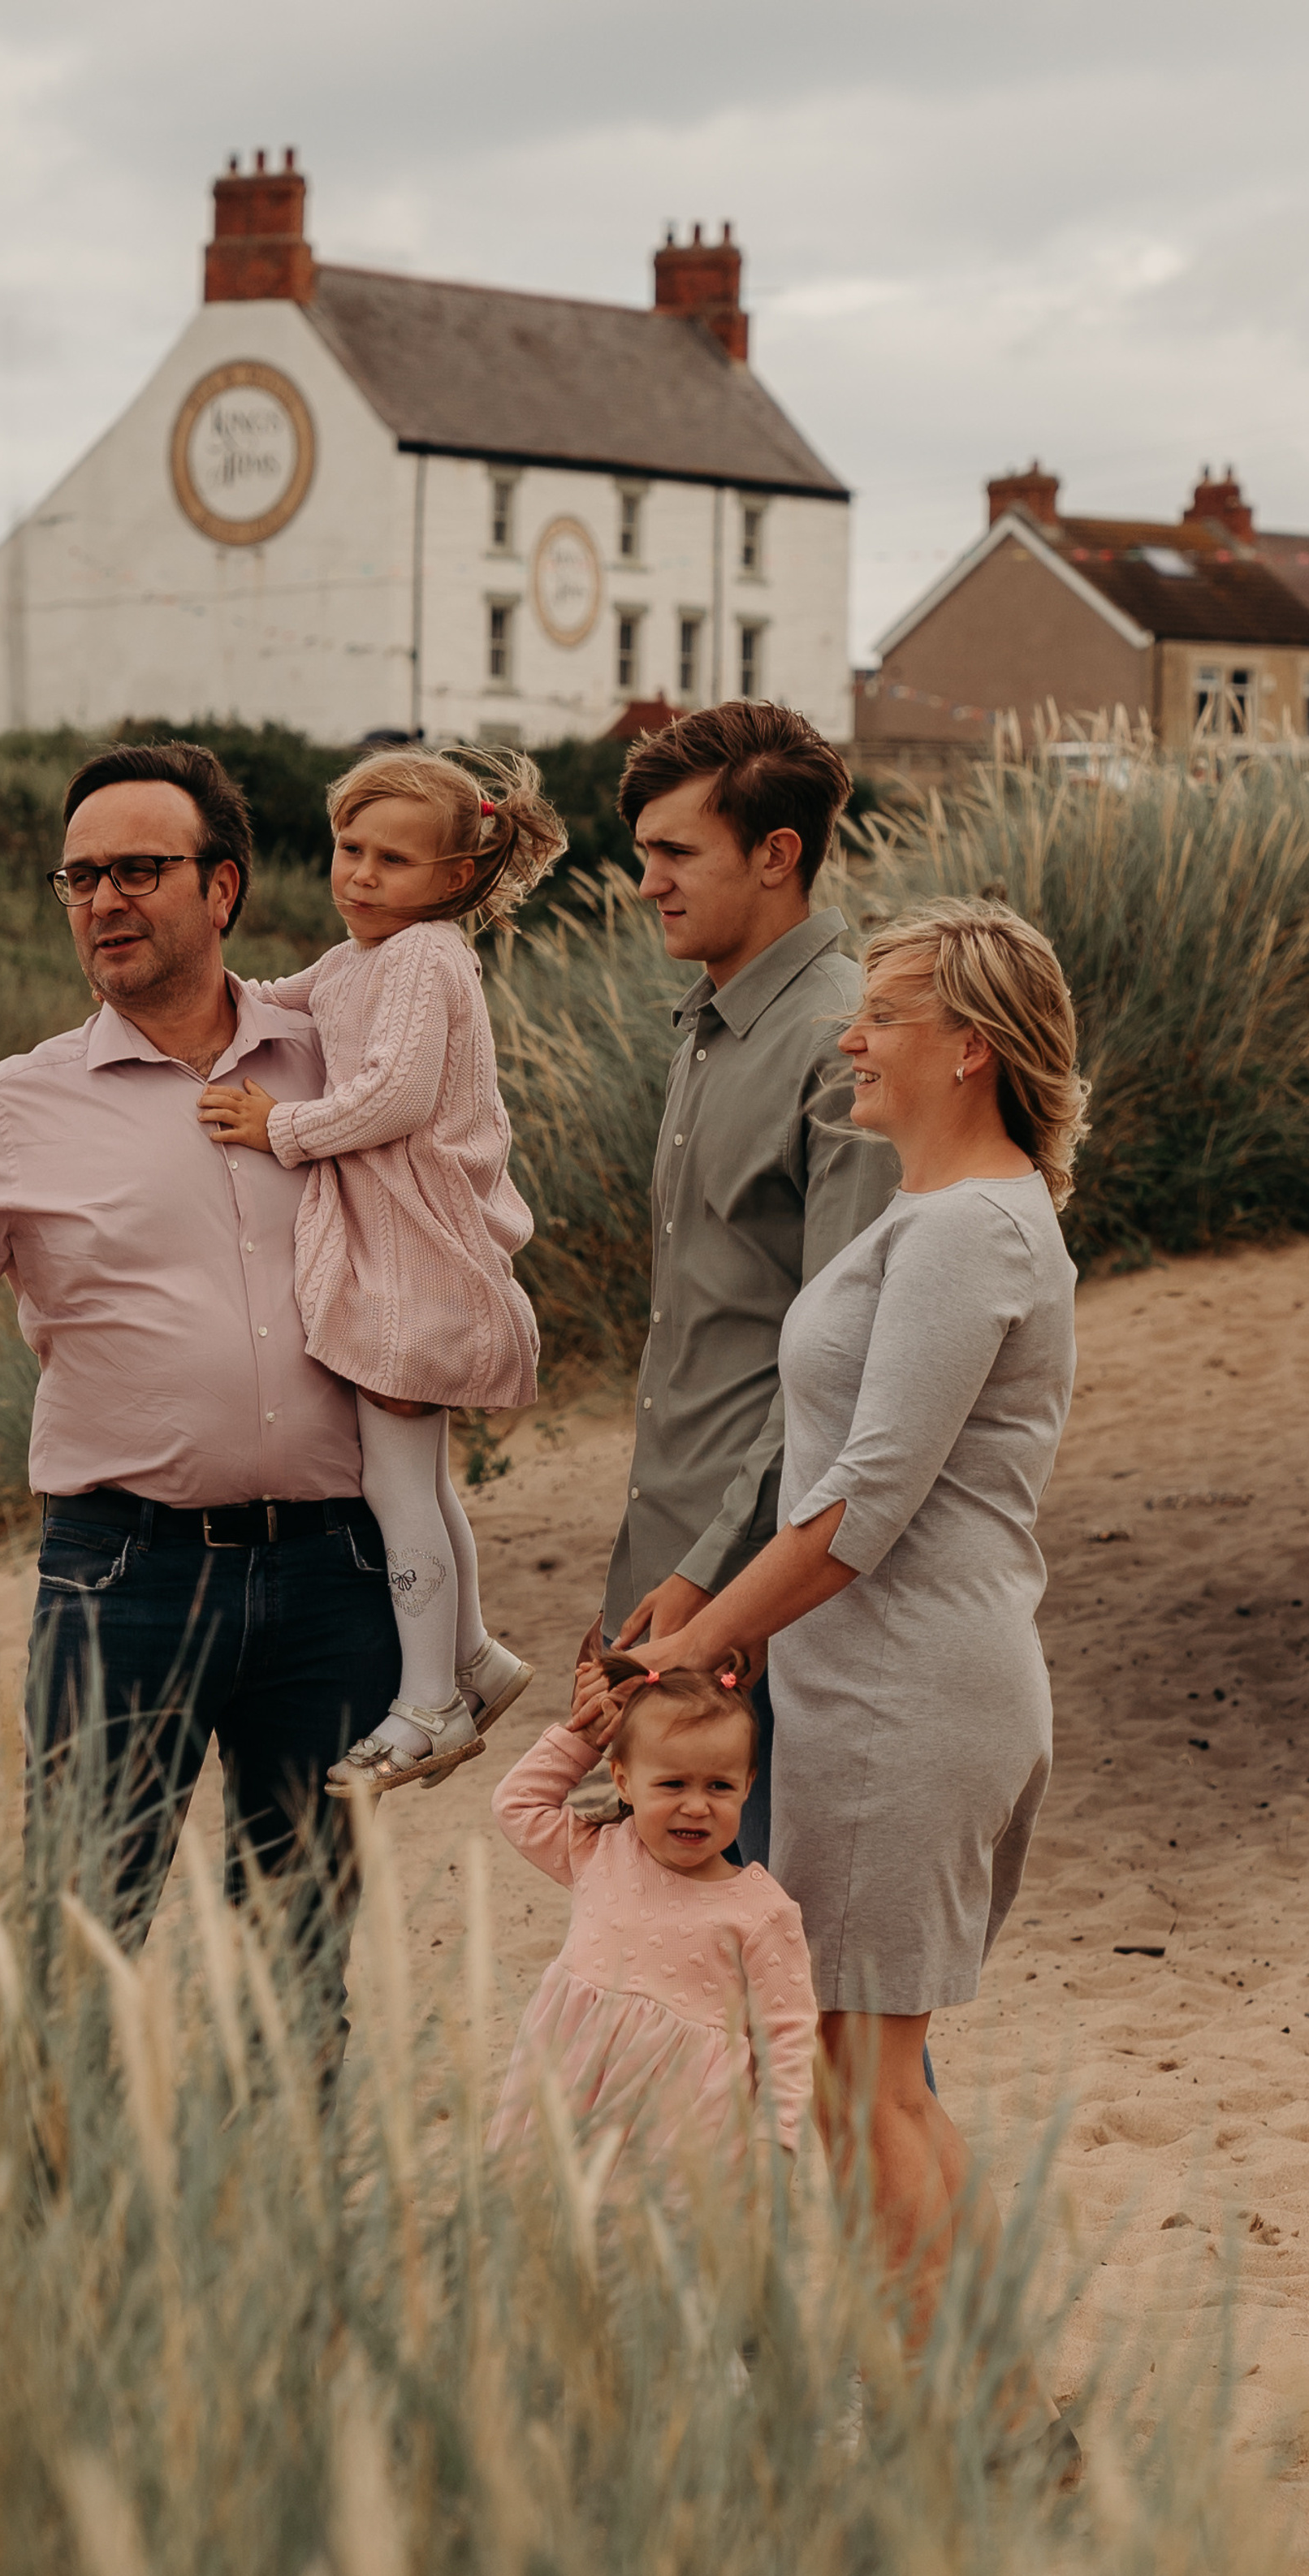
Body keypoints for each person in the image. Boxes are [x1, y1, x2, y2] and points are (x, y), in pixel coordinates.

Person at [0, 740, 400, 1960]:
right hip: (124, 1580)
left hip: (335, 1574)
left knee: (304, 1962)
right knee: (75, 1951)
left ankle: (282, 2162)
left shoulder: (337, 1059)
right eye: (78, 877)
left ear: (223, 889)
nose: (101, 900)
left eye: (138, 869)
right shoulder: (16, 1106)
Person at [631, 896, 1087, 2472]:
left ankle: (974, 2424)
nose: (847, 1035)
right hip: (869, 1692)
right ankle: (987, 2406)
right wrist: (706, 1616)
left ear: (964, 1044)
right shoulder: (949, 1215)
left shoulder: (971, 1229)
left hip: (906, 1695)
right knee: (868, 2073)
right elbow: (831, 1490)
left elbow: (857, 1507)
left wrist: (694, 1649)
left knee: (859, 2084)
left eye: (880, 1013)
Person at [197, 746, 564, 1794]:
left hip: (419, 1264)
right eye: (348, 849)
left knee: (394, 1491)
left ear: (453, 877)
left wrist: (280, 1128)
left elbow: (394, 1097)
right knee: (417, 1479)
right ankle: (473, 1659)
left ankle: (431, 1708)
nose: (360, 875)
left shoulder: (425, 958)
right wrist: (194, 993)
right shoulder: (362, 956)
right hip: (393, 1256)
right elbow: (276, 999)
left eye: (392, 861)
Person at [594, 700, 900, 1868]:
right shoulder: (711, 1026)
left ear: (779, 855)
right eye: (643, 856)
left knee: (783, 1974)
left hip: (763, 1592)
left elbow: (837, 1364)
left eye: (675, 854)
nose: (647, 884)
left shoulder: (845, 1044)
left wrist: (708, 1583)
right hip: (673, 1571)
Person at [487, 1647, 816, 2175]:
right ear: (623, 1781)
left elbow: (787, 2034)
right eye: (671, 1784)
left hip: (684, 2135)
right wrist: (586, 1733)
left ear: (748, 1786)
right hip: (570, 2096)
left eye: (720, 1786)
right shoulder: (600, 1853)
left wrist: (775, 2141)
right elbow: (517, 1803)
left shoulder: (763, 1910)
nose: (695, 1804)